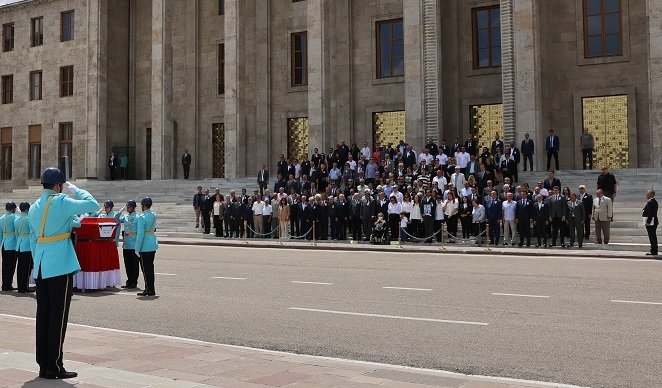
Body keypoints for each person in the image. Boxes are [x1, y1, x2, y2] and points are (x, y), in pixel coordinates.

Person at [28, 167, 99, 379]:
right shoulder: (60, 201)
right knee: (58, 318)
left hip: (41, 265)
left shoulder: (34, 207)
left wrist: (39, 260)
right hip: (59, 264)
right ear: (59, 185)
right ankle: (54, 366)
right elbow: (93, 205)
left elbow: (33, 239)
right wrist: (77, 190)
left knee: (44, 316)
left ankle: (43, 364)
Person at [135, 197, 158, 296]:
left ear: (143, 205)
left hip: (145, 246)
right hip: (152, 243)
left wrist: (137, 248)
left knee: (145, 269)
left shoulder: (141, 217)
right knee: (150, 268)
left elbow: (140, 235)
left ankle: (149, 289)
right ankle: (151, 288)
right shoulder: (153, 215)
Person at [119, 200, 139, 289]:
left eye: (129, 207)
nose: (127, 208)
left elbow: (140, 231)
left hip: (134, 244)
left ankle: (134, 282)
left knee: (134, 265)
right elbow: (116, 220)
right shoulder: (125, 216)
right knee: (127, 264)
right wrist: (120, 211)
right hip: (126, 244)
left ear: (134, 207)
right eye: (127, 207)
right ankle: (129, 281)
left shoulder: (138, 217)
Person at [14, 202, 33, 293]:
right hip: (27, 245)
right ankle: (24, 287)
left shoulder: (16, 220)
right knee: (26, 267)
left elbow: (16, 233)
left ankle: (20, 286)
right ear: (26, 209)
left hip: (19, 244)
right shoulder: (29, 219)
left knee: (20, 267)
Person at [0, 202, 17, 291]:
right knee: (11, 265)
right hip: (12, 244)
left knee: (5, 265)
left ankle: (4, 284)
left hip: (4, 243)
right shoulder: (15, 218)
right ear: (13, 209)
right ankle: (8, 285)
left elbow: (0, 234)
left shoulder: (1, 218)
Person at [643, 190, 658, 256]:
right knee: (653, 237)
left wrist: (648, 222)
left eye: (647, 194)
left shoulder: (651, 202)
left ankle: (654, 251)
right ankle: (654, 250)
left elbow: (651, 213)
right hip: (653, 221)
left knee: (652, 237)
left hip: (651, 222)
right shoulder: (653, 201)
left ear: (651, 194)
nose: (646, 195)